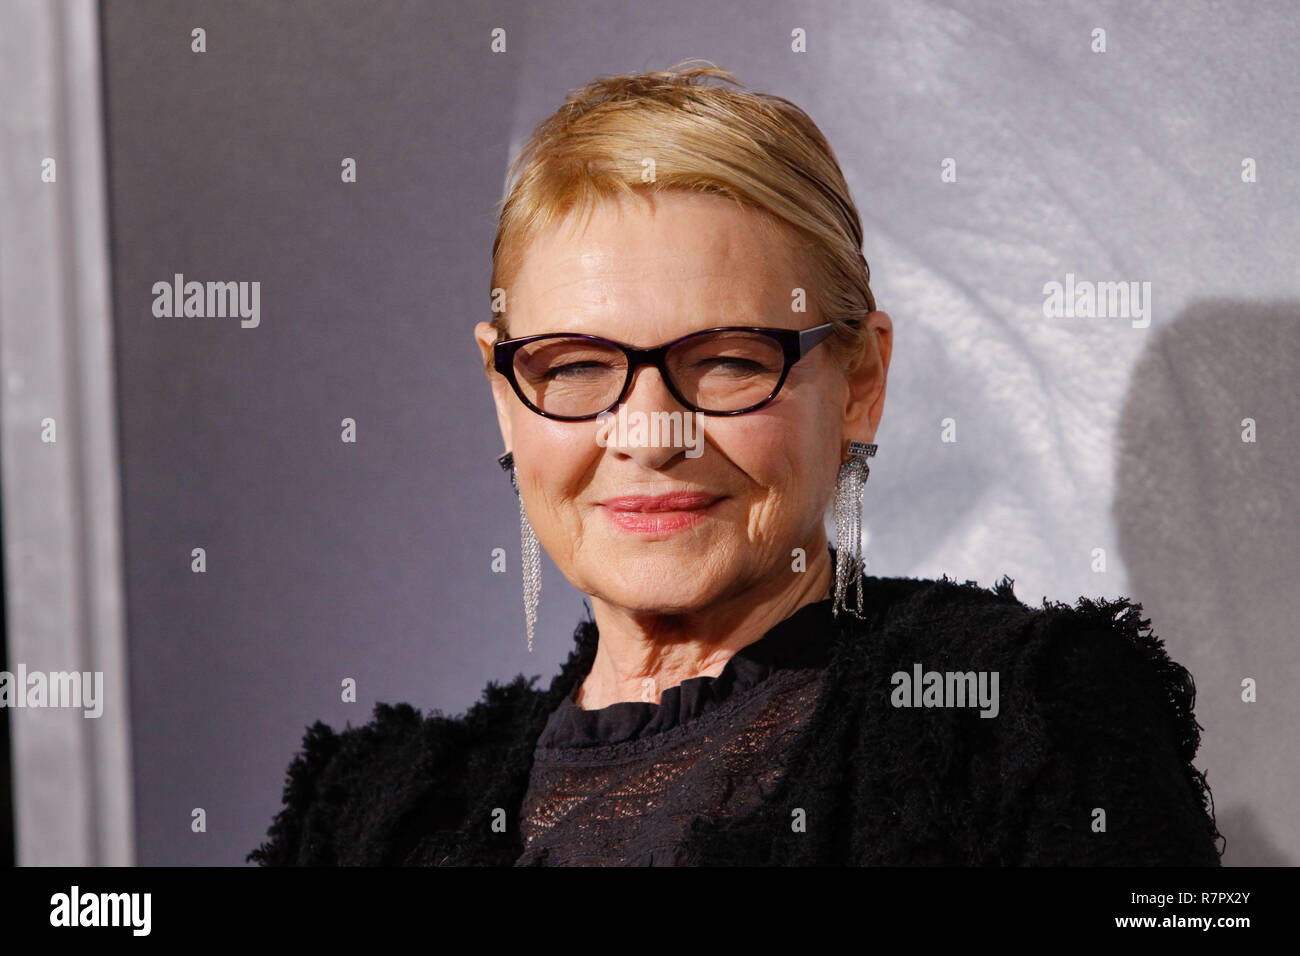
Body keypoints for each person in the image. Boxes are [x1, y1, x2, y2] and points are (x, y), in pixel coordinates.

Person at [248, 62, 1223, 866]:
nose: (648, 432)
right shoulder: (373, 814)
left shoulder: (1020, 716)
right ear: (505, 392)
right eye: (577, 366)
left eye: (723, 361)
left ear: (859, 380)